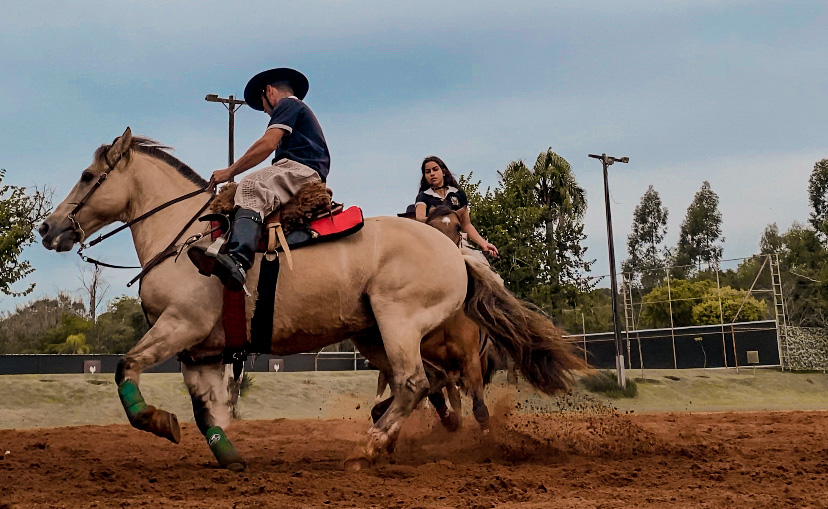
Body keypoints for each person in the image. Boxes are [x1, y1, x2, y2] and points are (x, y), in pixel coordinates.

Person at [193, 67, 330, 290]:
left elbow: (267, 144)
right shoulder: (297, 109)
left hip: (300, 169)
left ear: (269, 91)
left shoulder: (288, 105)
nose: (267, 112)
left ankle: (239, 260)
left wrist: (230, 171)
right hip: (303, 168)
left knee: (250, 185)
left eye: (264, 105)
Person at [414, 156, 498, 257]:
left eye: (435, 169)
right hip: (432, 242)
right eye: (428, 172)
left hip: (458, 243)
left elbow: (466, 225)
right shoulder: (423, 196)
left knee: (479, 264)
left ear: (443, 172)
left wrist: (484, 244)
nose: (432, 173)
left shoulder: (458, 194)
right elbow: (420, 218)